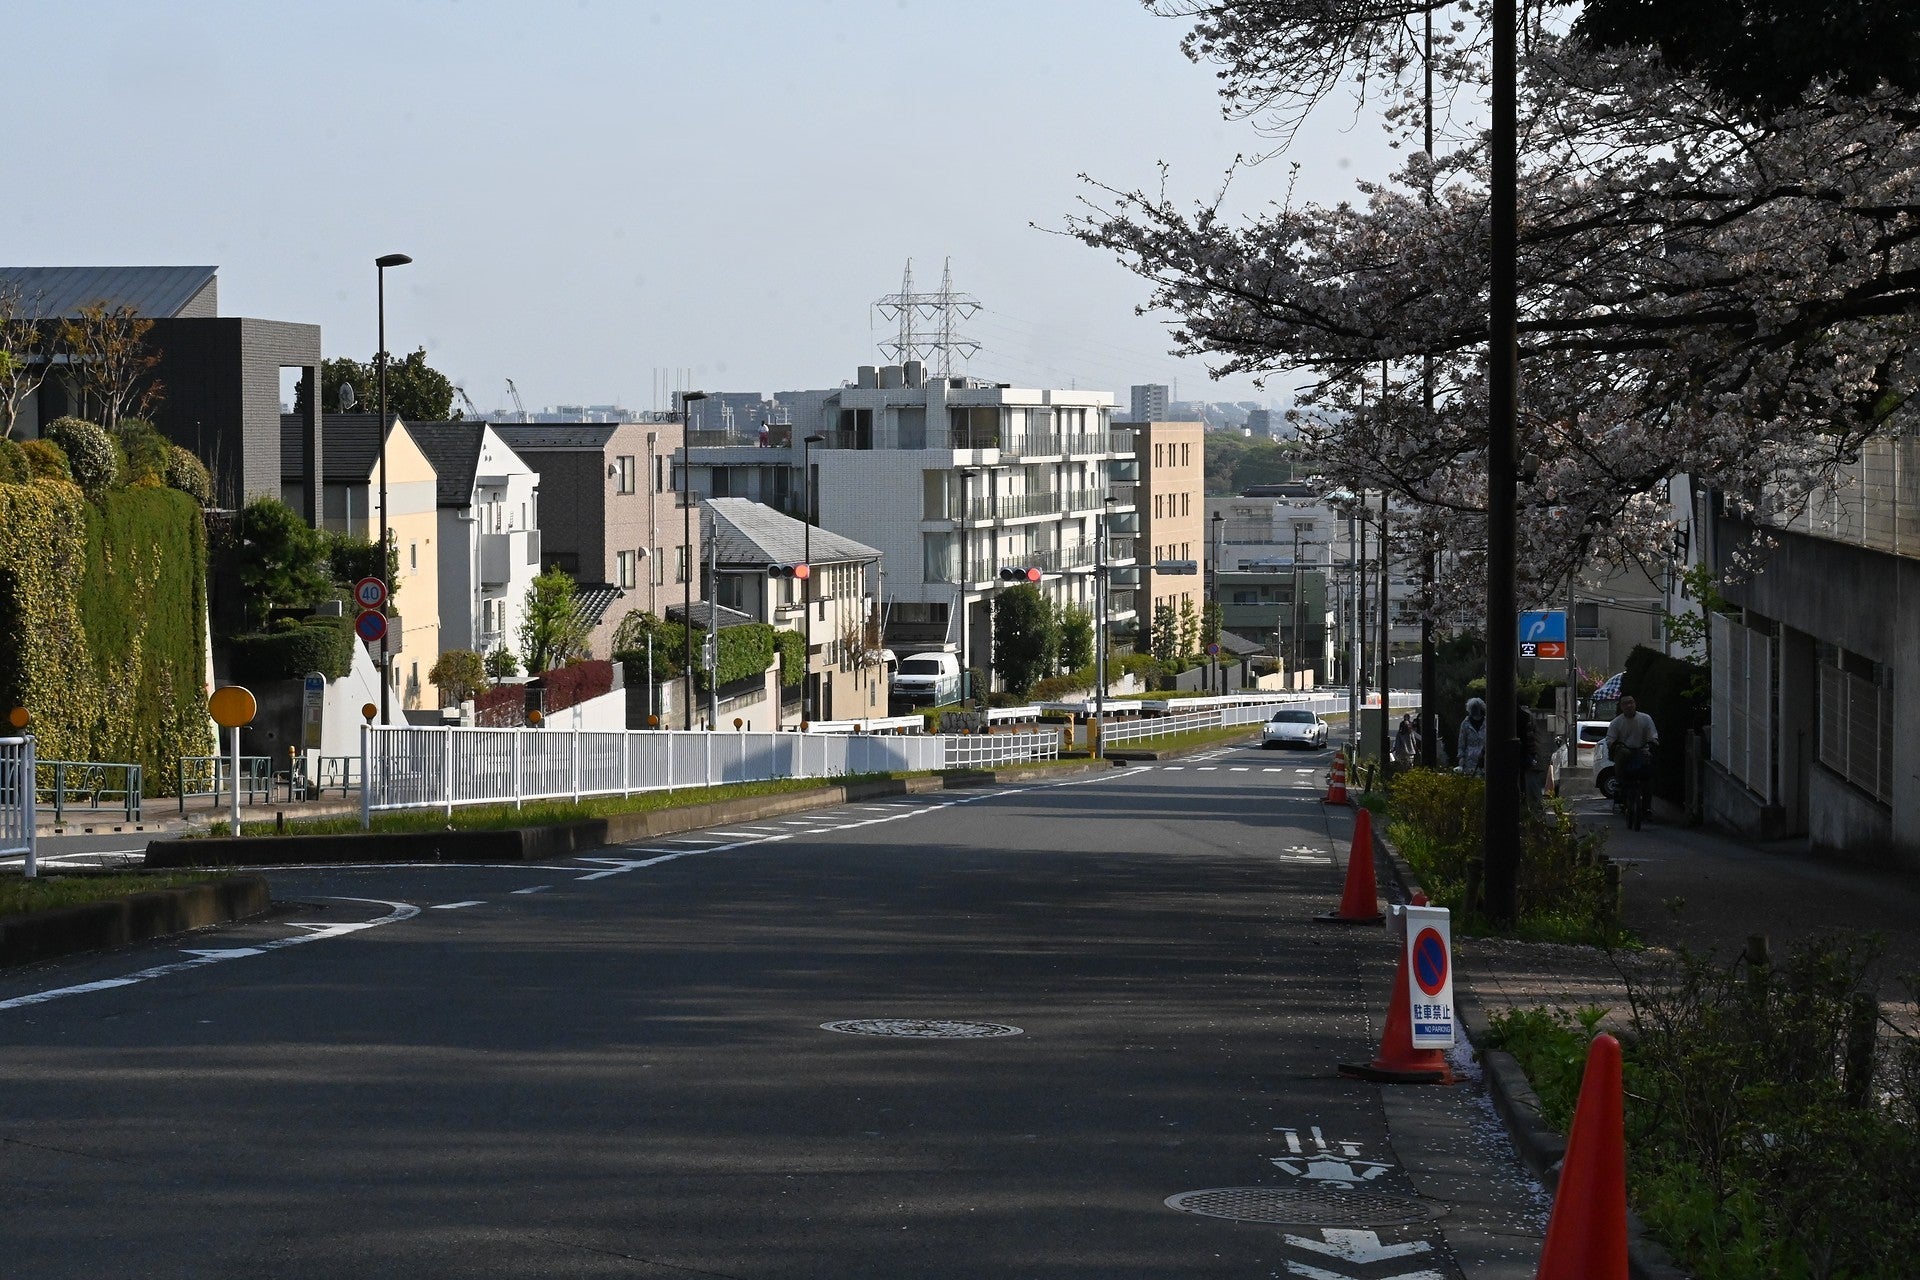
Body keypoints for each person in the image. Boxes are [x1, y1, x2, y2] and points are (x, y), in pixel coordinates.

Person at [1604, 694, 1659, 812]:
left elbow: (1653, 736)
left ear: (1635, 704)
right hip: (1624, 752)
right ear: (1621, 707)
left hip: (1642, 750)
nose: (1629, 705)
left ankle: (1647, 807)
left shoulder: (1645, 719)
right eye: (1625, 703)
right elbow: (1610, 739)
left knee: (1648, 775)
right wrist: (1615, 745)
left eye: (1631, 702)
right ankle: (1621, 786)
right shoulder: (1616, 722)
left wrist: (1652, 743)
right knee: (1622, 754)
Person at [1457, 697, 1488, 774]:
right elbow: (1461, 743)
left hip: (1484, 760)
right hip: (1469, 762)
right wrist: (1461, 761)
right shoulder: (1465, 724)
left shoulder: (1487, 723)